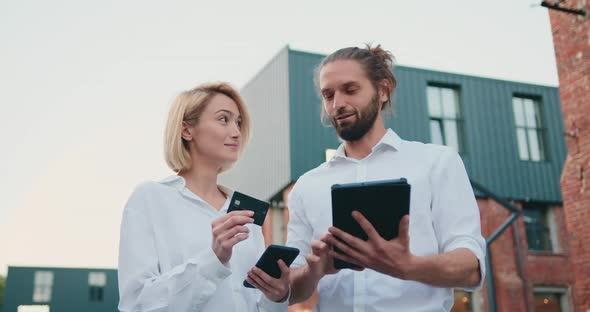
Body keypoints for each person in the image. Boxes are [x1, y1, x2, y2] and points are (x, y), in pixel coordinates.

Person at [286, 45, 486, 311]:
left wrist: (408, 266)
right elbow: (290, 291)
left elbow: (471, 268)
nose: (338, 104)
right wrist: (315, 270)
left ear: (383, 90)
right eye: (328, 94)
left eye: (350, 89)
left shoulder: (437, 162)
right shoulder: (307, 185)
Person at [118, 82, 290, 312]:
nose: (236, 132)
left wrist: (277, 297)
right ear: (187, 130)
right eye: (223, 119)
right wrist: (213, 259)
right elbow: (137, 304)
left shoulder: (246, 212)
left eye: (238, 122)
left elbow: (256, 303)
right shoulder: (150, 198)